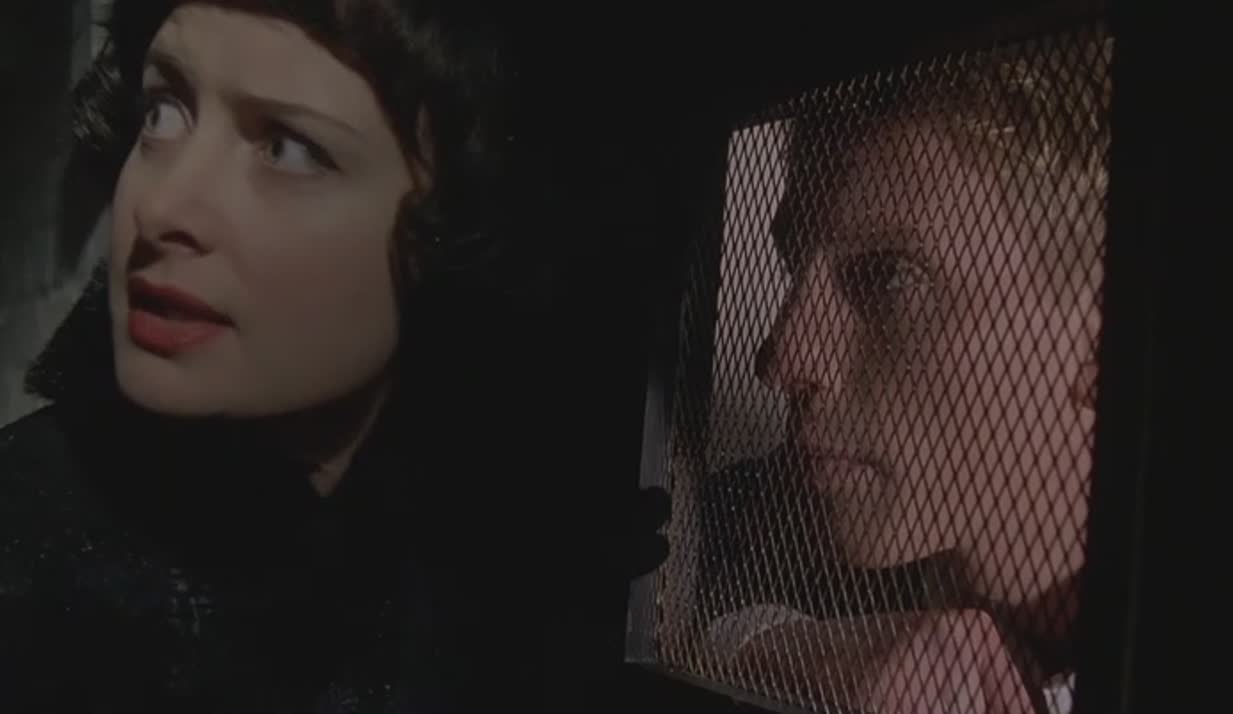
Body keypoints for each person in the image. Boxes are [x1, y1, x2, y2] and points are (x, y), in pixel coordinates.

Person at [0, 2, 668, 712]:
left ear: (460, 222)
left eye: (289, 149)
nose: (163, 209)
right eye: (163, 112)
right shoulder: (33, 574)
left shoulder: (493, 579)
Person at [694, 33, 1110, 714]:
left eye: (890, 278)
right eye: (793, 265)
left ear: (1103, 344)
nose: (783, 359)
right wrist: (771, 644)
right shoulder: (766, 518)